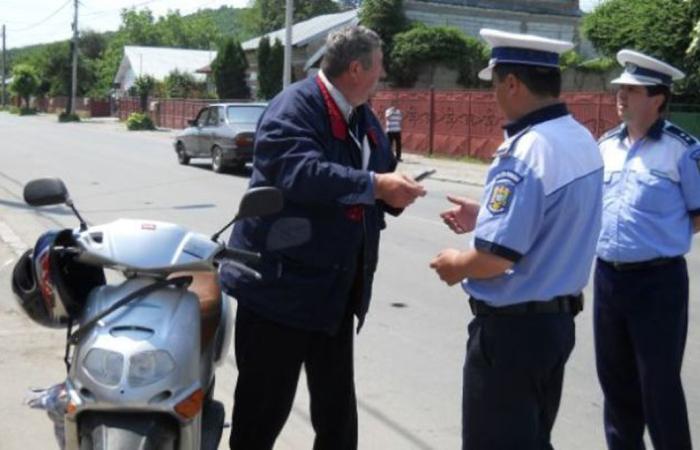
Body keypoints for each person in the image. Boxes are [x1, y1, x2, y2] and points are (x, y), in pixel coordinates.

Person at [219, 25, 426, 450]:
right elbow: (300, 173)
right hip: (279, 292)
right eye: (379, 66)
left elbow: (379, 172)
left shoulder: (362, 115)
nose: (383, 75)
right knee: (261, 413)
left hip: (334, 292)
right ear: (356, 69)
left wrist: (396, 191)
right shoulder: (294, 107)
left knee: (336, 417)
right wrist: (376, 185)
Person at [429, 28, 603, 449]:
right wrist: (486, 215)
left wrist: (455, 265)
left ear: (512, 83)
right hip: (553, 326)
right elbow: (554, 219)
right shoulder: (579, 138)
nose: (494, 96)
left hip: (512, 334)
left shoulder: (525, 152)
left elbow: (493, 260)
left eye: (494, 85)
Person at [594, 50, 700, 450]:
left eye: (632, 90)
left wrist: (659, 237)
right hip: (609, 278)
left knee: (659, 385)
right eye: (620, 88)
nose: (621, 96)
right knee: (615, 385)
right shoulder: (605, 146)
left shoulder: (683, 150)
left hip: (658, 282)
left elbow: (698, 214)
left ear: (657, 98)